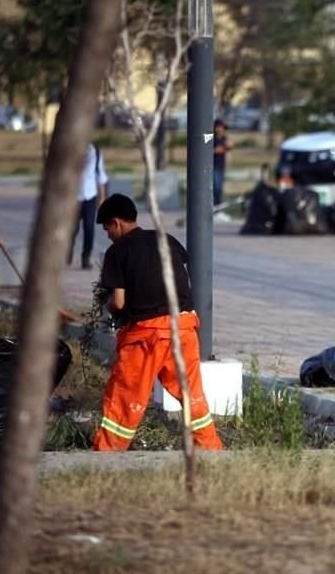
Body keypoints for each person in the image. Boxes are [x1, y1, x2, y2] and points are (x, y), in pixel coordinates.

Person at [92, 193, 224, 451]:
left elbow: (118, 302)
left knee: (126, 396)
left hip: (146, 335)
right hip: (184, 327)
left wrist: (106, 305)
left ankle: (106, 453)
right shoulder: (167, 240)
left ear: (116, 223)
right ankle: (211, 449)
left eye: (107, 227)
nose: (107, 234)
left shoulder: (117, 251)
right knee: (192, 395)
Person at [69, 142, 108, 269]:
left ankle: (86, 257)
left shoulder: (95, 151)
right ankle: (67, 251)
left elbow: (100, 176)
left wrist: (102, 199)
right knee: (72, 229)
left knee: (89, 228)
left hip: (90, 195)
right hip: (73, 197)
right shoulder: (71, 148)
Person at [212, 117, 233, 206]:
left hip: (221, 166)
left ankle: (218, 207)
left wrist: (226, 148)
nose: (222, 129)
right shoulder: (211, 137)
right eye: (220, 127)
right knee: (215, 187)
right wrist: (217, 150)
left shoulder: (224, 138)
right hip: (213, 166)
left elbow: (229, 146)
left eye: (223, 128)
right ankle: (214, 206)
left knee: (219, 188)